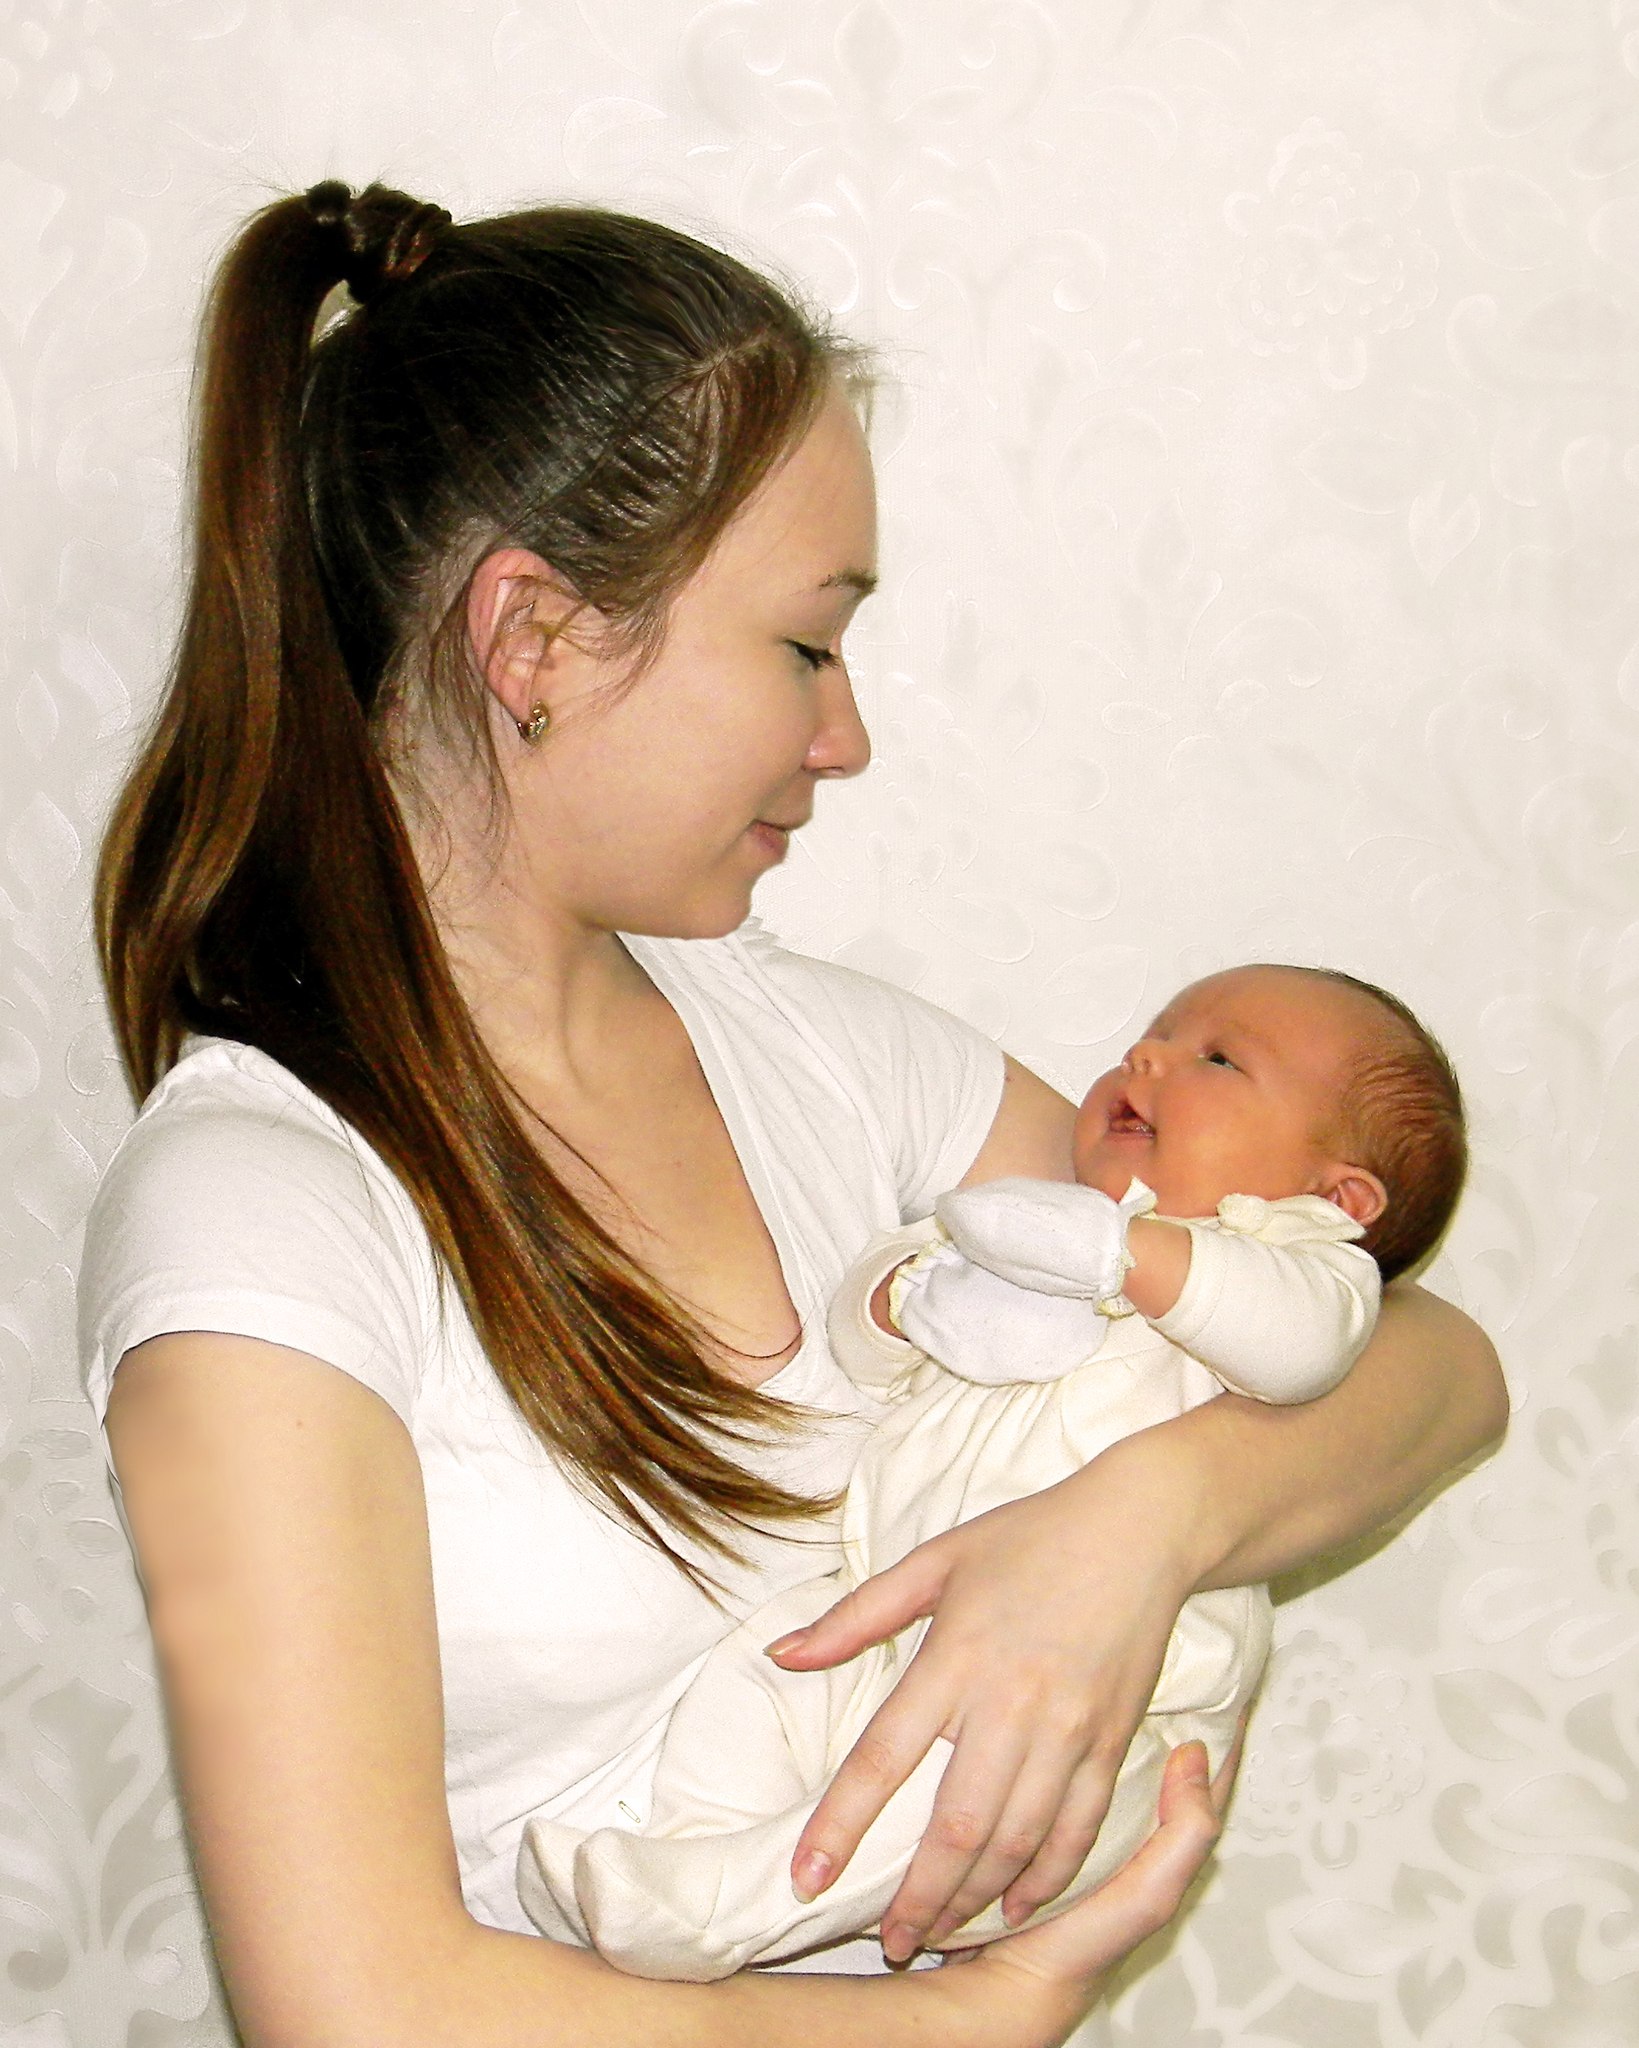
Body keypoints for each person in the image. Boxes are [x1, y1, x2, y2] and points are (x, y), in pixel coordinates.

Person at [77, 180, 1506, 2048]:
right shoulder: (256, 1217)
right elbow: (352, 2007)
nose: (845, 738)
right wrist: (971, 2021)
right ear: (535, 639)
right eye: (805, 647)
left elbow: (1431, 1363)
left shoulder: (817, 1050)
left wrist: (1137, 1525)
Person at [518, 962, 1467, 1978]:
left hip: (1097, 1714)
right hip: (880, 1620)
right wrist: (910, 1296)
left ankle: (733, 1908)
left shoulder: (1293, 1264)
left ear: (1336, 1197)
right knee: (767, 1661)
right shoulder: (1030, 1217)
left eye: (1218, 1059)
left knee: (945, 1804)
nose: (1146, 1055)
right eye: (1156, 1030)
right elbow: (864, 1337)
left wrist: (1119, 1254)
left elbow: (1302, 1347)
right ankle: (687, 1845)